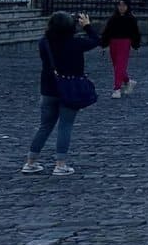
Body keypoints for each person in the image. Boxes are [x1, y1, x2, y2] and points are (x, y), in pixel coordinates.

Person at [27, 11, 102, 176]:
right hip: (69, 89)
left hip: (48, 89)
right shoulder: (76, 43)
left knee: (45, 126)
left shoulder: (44, 43)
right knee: (65, 125)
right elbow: (97, 41)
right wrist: (87, 26)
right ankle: (60, 164)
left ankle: (30, 162)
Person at [100, 0, 143, 98]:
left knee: (120, 65)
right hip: (113, 42)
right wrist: (104, 44)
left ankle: (117, 89)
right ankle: (128, 81)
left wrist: (136, 45)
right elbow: (107, 31)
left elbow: (135, 33)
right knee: (117, 65)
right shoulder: (113, 18)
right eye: (120, 5)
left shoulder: (131, 19)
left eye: (124, 5)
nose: (121, 7)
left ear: (127, 7)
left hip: (124, 43)